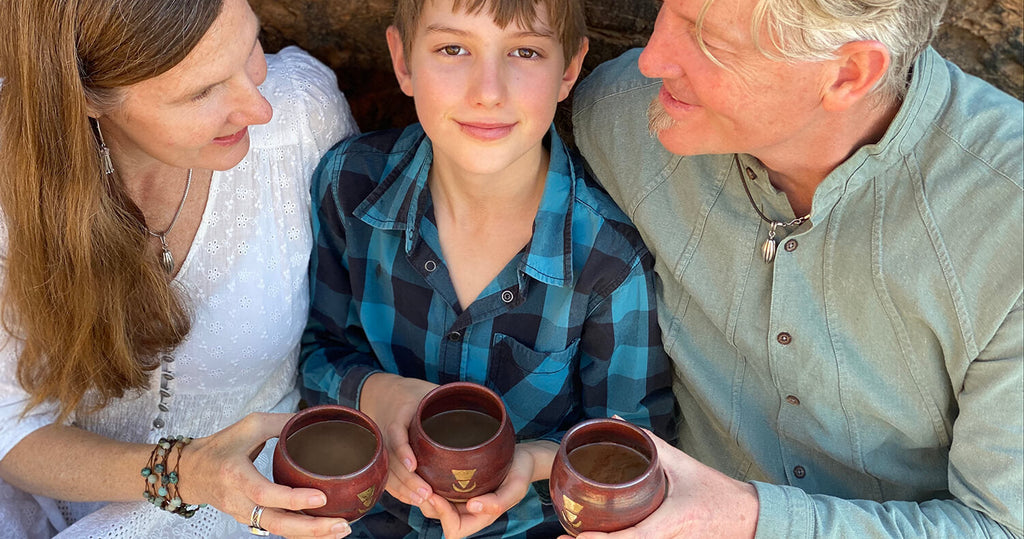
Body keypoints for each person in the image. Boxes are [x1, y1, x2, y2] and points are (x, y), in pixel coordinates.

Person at [568, 0, 1023, 536]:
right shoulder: (619, 118)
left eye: (709, 40)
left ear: (849, 73)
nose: (652, 59)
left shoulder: (1007, 221)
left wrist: (745, 518)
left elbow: (1004, 526)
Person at [298, 0, 678, 537]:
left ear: (569, 69)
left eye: (525, 52)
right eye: (453, 48)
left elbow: (635, 443)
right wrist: (375, 394)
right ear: (403, 62)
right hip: (370, 520)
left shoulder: (607, 259)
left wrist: (533, 461)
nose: (488, 91)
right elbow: (317, 350)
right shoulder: (350, 185)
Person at [0, 0, 359, 536]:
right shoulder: (12, 181)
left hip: (257, 499)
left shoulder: (302, 117)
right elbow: (9, 425)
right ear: (87, 96)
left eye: (251, 47)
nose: (259, 108)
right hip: (49, 503)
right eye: (202, 92)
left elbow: (355, 316)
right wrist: (186, 473)